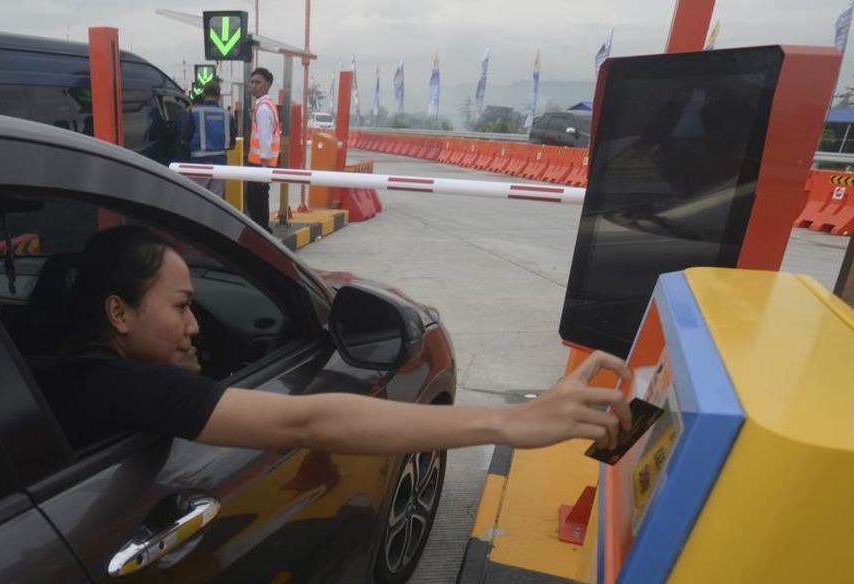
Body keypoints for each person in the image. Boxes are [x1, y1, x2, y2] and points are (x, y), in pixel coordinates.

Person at [31, 226, 633, 454]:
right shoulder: (119, 385)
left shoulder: (63, 370)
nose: (195, 327)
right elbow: (309, 423)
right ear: (118, 312)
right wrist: (510, 422)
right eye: (183, 307)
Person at [180, 82, 236, 198]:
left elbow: (184, 140)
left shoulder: (195, 112)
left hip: (198, 162)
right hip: (220, 161)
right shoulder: (227, 115)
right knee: (216, 199)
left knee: (197, 198)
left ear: (204, 95)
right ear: (219, 96)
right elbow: (232, 144)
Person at [245, 67, 281, 232]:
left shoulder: (264, 109)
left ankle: (263, 234)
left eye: (258, 82)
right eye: (252, 82)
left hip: (260, 165)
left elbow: (265, 141)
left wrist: (263, 170)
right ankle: (263, 232)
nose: (254, 86)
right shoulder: (263, 106)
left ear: (268, 85)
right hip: (259, 164)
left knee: (257, 203)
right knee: (257, 201)